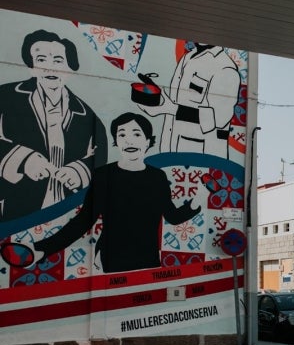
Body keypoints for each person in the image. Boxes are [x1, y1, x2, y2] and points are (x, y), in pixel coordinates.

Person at [33, 113, 199, 273]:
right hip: (110, 258)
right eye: (122, 135)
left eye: (136, 134)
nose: (128, 140)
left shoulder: (157, 177)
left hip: (146, 258)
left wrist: (198, 200)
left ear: (147, 141)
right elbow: (83, 220)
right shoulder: (103, 175)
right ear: (116, 142)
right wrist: (43, 249)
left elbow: (173, 216)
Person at [0, 29, 107, 221]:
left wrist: (79, 171)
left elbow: (99, 154)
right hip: (16, 210)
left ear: (70, 69)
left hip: (68, 212)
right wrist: (23, 159)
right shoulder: (6, 97)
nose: (51, 67)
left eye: (58, 60)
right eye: (41, 59)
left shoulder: (87, 115)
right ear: (31, 67)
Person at [137, 43, 240, 158]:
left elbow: (218, 119)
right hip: (169, 149)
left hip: (202, 156)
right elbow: (177, 102)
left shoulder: (226, 68)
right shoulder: (187, 57)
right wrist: (159, 99)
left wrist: (171, 109)